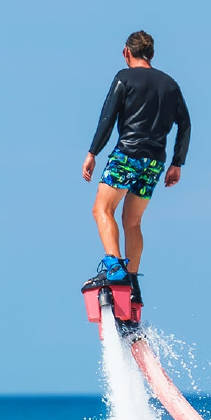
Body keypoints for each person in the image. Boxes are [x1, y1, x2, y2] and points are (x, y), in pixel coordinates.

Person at [81, 31, 191, 286]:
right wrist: (177, 162)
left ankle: (114, 267)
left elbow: (107, 119)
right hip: (155, 162)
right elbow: (185, 124)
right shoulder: (170, 84)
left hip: (127, 156)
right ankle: (132, 284)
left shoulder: (124, 78)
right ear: (151, 54)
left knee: (101, 209)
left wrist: (92, 153)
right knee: (133, 221)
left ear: (126, 52)